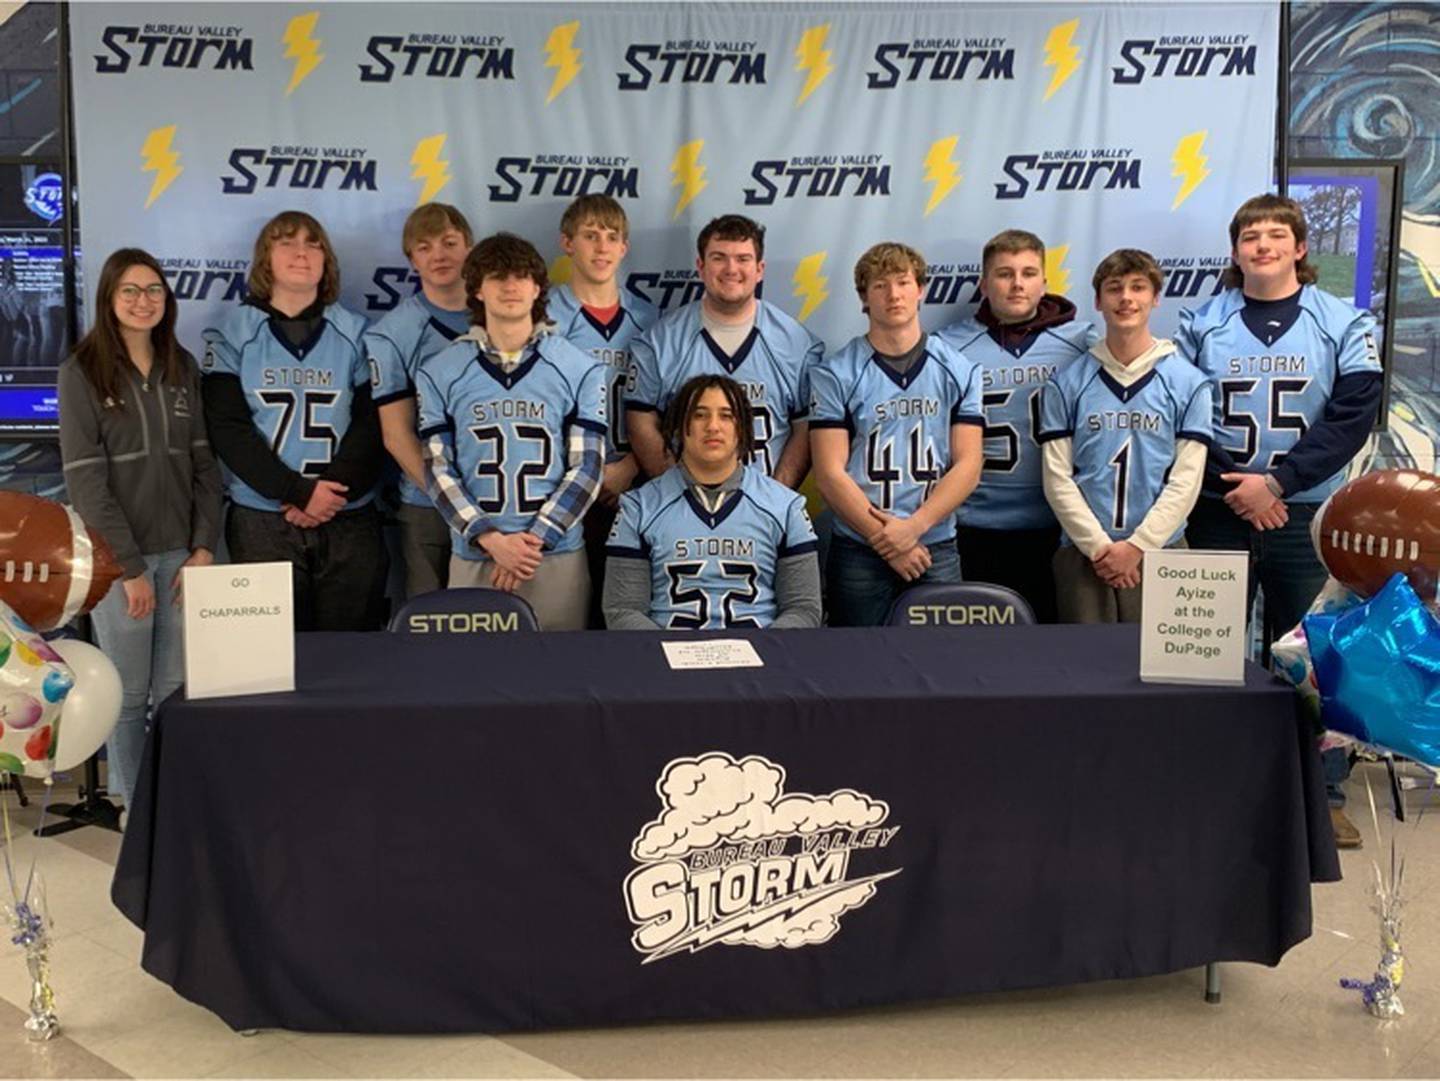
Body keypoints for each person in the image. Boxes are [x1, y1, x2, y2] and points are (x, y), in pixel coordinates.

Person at [1177, 193, 1383, 849]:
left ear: (1299, 248)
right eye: (1249, 236)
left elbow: (1352, 415)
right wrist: (1239, 486)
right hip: (1218, 509)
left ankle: (1324, 792)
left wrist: (1278, 482)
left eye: (1275, 235)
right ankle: (1206, 780)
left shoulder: (1344, 322)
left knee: (1320, 656)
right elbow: (1182, 417)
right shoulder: (1198, 321)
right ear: (1235, 251)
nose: (1262, 245)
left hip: (1305, 512)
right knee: (1202, 649)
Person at [57, 248, 222, 813]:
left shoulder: (182, 367)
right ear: (108, 299)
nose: (143, 300)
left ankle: (170, 805)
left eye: (153, 290)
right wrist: (128, 569)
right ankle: (135, 809)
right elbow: (86, 483)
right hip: (118, 566)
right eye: (130, 290)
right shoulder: (81, 373)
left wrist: (203, 548)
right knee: (128, 697)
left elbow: (204, 466)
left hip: (182, 557)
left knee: (174, 693)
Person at [201, 210, 387, 631]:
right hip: (263, 517)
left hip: (347, 514)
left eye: (313, 243)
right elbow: (228, 428)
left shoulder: (358, 333)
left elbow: (373, 423)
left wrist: (329, 492)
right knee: (269, 662)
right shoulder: (233, 333)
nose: (301, 253)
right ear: (266, 258)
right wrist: (297, 492)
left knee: (349, 658)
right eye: (286, 241)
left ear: (327, 261)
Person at [415, 233, 605, 630]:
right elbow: (437, 468)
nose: (510, 286)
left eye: (521, 276)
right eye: (497, 276)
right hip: (476, 554)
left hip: (554, 556)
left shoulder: (580, 368)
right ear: (477, 290)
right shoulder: (439, 371)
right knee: (474, 679)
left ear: (537, 288)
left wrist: (530, 544)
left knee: (558, 678)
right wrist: (491, 540)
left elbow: (588, 466)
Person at [810, 242, 985, 626]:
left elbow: (969, 465)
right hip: (859, 546)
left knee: (941, 666)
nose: (893, 294)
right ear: (863, 297)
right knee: (854, 667)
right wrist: (885, 539)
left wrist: (914, 528)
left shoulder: (959, 369)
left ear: (920, 289)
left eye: (903, 282)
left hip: (934, 543)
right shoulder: (835, 373)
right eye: (879, 285)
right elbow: (829, 472)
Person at [1039, 249, 1212, 623]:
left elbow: (1186, 478)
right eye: (1114, 289)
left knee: (1161, 675)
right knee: (1085, 669)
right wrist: (1100, 547)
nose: (1127, 298)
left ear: (1156, 298)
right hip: (1084, 553)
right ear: (1098, 301)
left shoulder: (1188, 383)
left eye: (1138, 287)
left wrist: (1138, 545)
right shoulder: (1068, 383)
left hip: (1162, 549)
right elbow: (1056, 478)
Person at [936, 230, 1097, 622]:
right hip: (973, 525)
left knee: (1049, 651)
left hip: (1055, 525)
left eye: (1028, 273)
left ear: (1045, 281)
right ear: (984, 283)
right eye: (1005, 274)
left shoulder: (1084, 342)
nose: (1017, 284)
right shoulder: (947, 347)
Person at [604, 374, 820, 629]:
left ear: (743, 428)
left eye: (727, 416)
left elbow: (804, 609)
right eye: (699, 415)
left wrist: (761, 653)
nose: (713, 426)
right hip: (666, 658)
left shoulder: (786, 507)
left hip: (760, 660)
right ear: (677, 427)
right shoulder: (638, 507)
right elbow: (623, 610)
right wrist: (672, 655)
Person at [625, 214, 820, 488]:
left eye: (743, 259)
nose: (731, 269)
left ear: (760, 268)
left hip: (768, 517)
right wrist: (678, 495)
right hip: (681, 516)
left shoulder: (798, 345)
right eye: (719, 258)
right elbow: (641, 421)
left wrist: (775, 502)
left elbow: (805, 428)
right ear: (700, 266)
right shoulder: (659, 342)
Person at [547, 194, 658, 624]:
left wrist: (631, 463)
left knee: (627, 611)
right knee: (569, 616)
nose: (602, 247)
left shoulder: (649, 319)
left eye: (612, 237)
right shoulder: (544, 318)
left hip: (633, 481)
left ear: (624, 248)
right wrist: (588, 475)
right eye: (590, 236)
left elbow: (665, 404)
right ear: (567, 243)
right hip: (561, 484)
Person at [365, 202, 474, 599]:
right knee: (428, 621)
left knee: (498, 621)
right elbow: (396, 435)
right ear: (412, 259)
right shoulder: (392, 332)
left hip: (498, 500)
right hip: (428, 501)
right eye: (425, 247)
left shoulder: (502, 314)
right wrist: (451, 499)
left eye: (449, 242)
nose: (439, 255)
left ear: (469, 247)